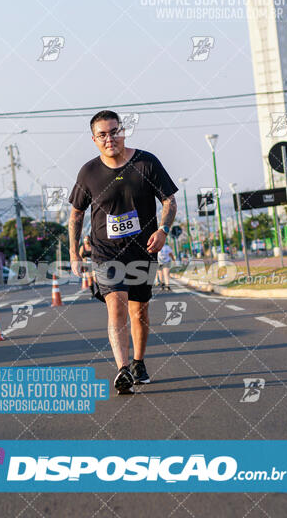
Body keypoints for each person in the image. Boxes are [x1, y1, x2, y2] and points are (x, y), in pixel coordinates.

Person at [68, 110, 178, 394]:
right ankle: (122, 369)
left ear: (123, 132)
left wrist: (163, 230)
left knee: (138, 309)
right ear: (94, 139)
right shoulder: (88, 172)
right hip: (106, 252)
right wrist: (73, 253)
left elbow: (169, 201)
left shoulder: (146, 163)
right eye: (102, 134)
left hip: (143, 249)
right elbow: (76, 215)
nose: (110, 138)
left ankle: (139, 363)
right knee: (116, 304)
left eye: (114, 131)